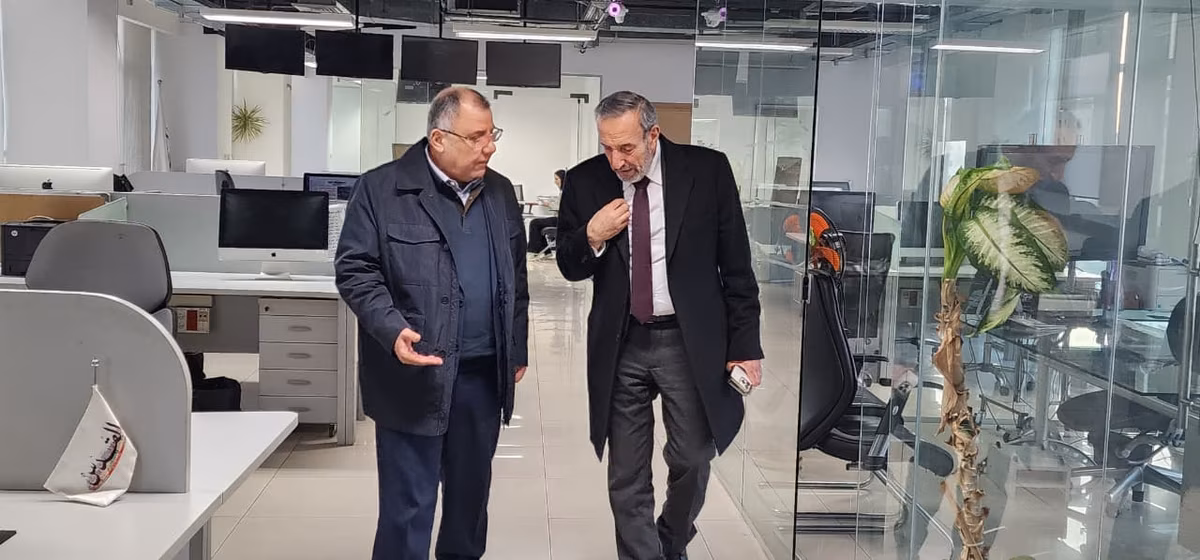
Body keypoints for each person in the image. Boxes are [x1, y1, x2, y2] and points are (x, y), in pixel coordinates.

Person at [555, 91, 763, 560]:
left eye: (626, 148)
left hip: (687, 342)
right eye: (607, 147)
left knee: (693, 456)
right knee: (627, 471)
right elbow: (569, 265)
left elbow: (736, 265)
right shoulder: (587, 180)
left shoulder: (707, 171)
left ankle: (670, 541)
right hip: (622, 341)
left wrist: (746, 345)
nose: (617, 161)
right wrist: (592, 235)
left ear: (653, 134)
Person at [334, 87, 529, 560]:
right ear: (439, 139)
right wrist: (390, 328)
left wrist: (516, 346)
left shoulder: (500, 192)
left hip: (482, 376)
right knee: (408, 508)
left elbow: (516, 276)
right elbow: (356, 270)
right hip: (414, 373)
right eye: (477, 137)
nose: (490, 147)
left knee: (469, 504)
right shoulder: (381, 189)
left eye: (493, 134)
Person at [527, 169, 565, 254]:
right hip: (560, 219)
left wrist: (549, 204)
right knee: (537, 225)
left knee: (534, 223)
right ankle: (545, 252)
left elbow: (560, 206)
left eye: (556, 179)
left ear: (562, 179)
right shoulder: (563, 191)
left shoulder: (566, 192)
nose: (555, 182)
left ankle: (533, 251)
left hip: (561, 220)